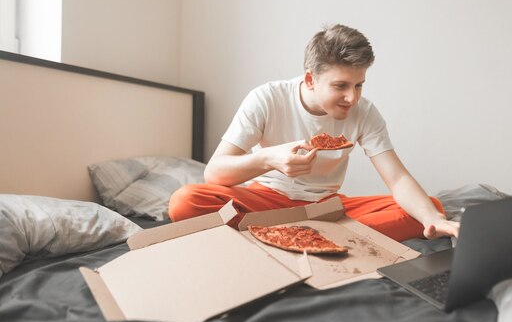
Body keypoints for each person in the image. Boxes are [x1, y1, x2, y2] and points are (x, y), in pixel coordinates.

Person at [169, 24, 459, 241]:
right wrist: (269, 159)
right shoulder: (267, 98)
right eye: (341, 86)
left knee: (429, 208)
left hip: (326, 208)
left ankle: (302, 235)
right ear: (310, 79)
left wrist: (432, 218)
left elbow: (397, 178)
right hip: (265, 201)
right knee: (185, 201)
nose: (352, 98)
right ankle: (324, 235)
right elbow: (215, 174)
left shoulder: (365, 113)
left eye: (359, 85)